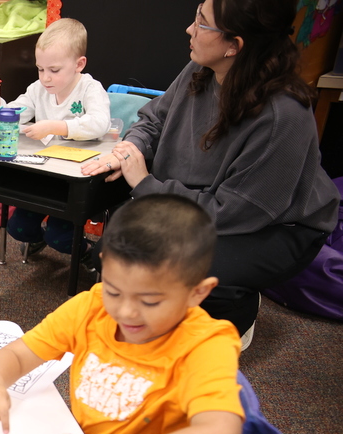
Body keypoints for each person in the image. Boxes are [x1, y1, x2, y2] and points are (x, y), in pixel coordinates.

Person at [0, 195, 244, 434]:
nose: (125, 312)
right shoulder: (91, 308)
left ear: (198, 291)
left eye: (150, 301)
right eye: (113, 290)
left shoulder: (206, 343)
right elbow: (18, 353)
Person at [82, 0, 339, 344]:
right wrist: (128, 150)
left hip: (273, 226)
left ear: (235, 45)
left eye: (202, 24)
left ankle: (234, 315)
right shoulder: (200, 69)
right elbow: (153, 119)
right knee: (122, 245)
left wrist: (145, 184)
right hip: (200, 198)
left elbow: (232, 212)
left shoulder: (283, 116)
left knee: (179, 265)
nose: (190, 29)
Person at [0, 17, 110, 259]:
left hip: (75, 181)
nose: (45, 77)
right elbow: (11, 118)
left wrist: (55, 126)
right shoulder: (37, 90)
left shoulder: (90, 89)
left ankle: (86, 253)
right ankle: (41, 241)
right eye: (40, 69)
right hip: (44, 177)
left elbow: (99, 123)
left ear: (79, 64)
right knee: (17, 228)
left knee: (60, 238)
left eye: (54, 70)